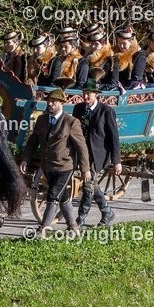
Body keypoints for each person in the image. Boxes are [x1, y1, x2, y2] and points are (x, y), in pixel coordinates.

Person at [19, 87, 91, 239]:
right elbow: (33, 142)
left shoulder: (71, 122)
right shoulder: (42, 120)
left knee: (52, 195)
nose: (50, 104)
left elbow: (81, 147)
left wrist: (85, 169)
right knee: (63, 196)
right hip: (47, 166)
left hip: (65, 166)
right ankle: (74, 227)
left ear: (61, 103)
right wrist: (25, 158)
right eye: (48, 101)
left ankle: (43, 228)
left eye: (53, 102)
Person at [73, 78, 121, 227]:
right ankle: (107, 211)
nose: (86, 97)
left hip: (99, 153)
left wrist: (116, 161)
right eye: (84, 94)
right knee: (92, 184)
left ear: (96, 95)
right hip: (82, 152)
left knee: (88, 185)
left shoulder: (106, 111)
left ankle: (81, 218)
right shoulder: (78, 109)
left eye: (89, 94)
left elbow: (114, 137)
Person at [113, 25, 146, 90]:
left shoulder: (139, 55)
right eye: (119, 43)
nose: (121, 46)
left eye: (124, 43)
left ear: (131, 42)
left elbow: (137, 78)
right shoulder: (114, 52)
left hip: (133, 88)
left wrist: (123, 88)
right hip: (117, 86)